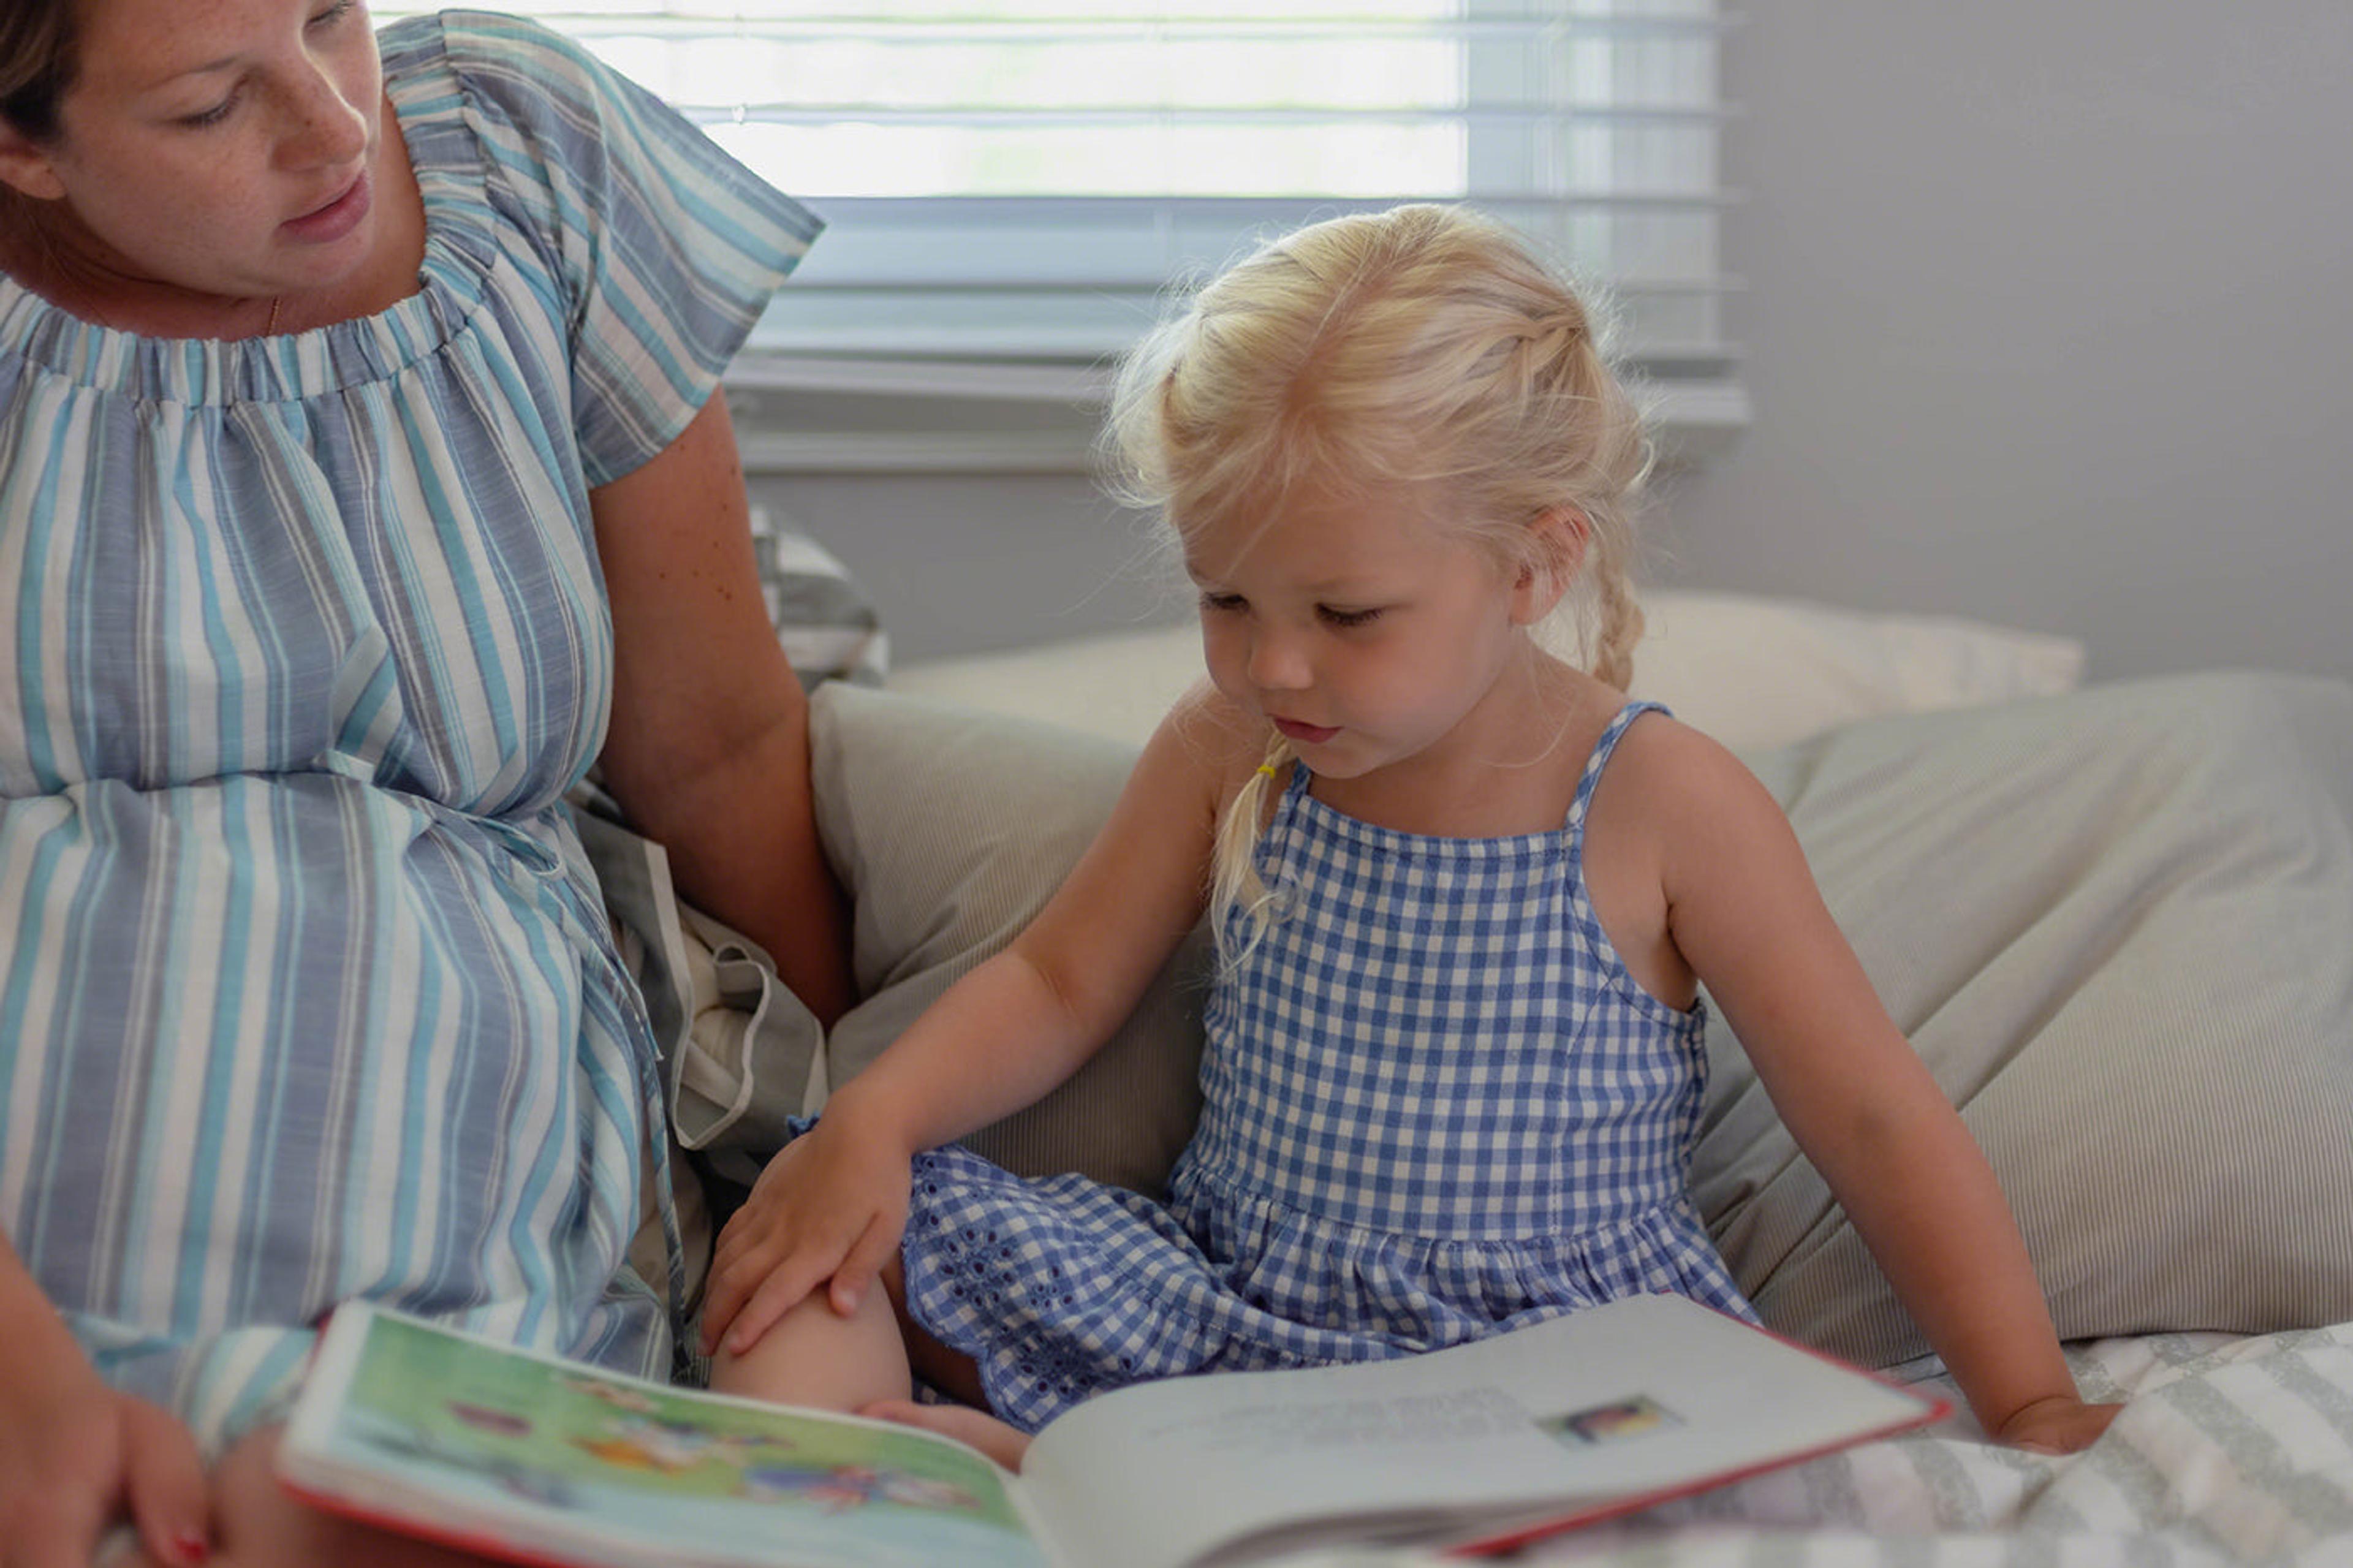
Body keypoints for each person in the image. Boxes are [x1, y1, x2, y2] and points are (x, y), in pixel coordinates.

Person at [695, 202, 2123, 1468]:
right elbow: (1064, 981)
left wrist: (2035, 1404)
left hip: (1538, 1375)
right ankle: (916, 1490)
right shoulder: (1229, 743)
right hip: (1230, 1313)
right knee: (819, 1254)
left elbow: (1873, 1118)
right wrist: (871, 1126)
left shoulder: (1663, 801)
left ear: (1536, 561)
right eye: (1226, 600)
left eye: (1347, 614)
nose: (1275, 668)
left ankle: (1070, 1469)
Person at [0, 0, 850, 1561]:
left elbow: (717, 748)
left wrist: (855, 1145)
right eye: (208, 106)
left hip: (465, 1202)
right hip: (44, 1261)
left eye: (335, 15)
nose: (334, 124)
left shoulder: (527, 159)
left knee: (364, 1493)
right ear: (18, 147)